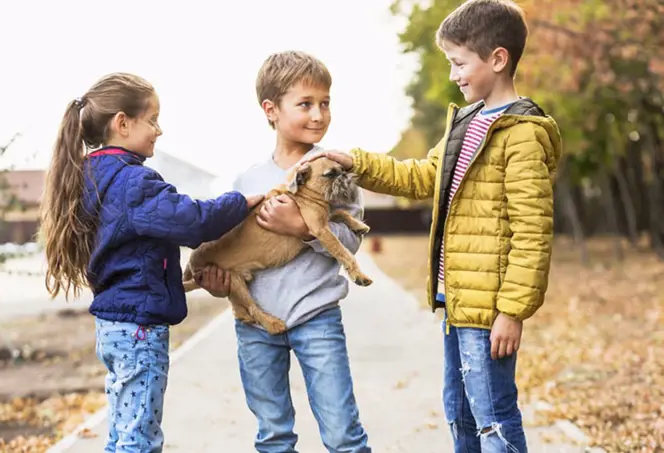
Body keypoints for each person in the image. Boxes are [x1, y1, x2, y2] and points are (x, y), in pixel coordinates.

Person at [301, 1, 563, 451]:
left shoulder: (522, 134)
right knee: (460, 415)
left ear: (497, 60)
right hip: (456, 300)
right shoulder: (465, 122)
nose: (453, 75)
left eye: (459, 63)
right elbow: (422, 176)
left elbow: (532, 232)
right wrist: (356, 162)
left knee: (493, 419)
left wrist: (512, 311)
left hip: (489, 310)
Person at [39, 72, 262, 453]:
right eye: (153, 120)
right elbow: (192, 221)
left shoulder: (89, 175)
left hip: (113, 326)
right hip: (139, 329)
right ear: (122, 123)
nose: (159, 130)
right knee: (139, 439)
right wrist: (239, 203)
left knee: (122, 434)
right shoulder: (133, 183)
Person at [198, 51, 372, 453]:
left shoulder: (336, 170)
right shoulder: (248, 180)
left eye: (325, 103)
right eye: (305, 104)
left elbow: (350, 242)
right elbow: (230, 251)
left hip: (318, 318)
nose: (318, 115)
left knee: (344, 435)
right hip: (256, 329)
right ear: (271, 110)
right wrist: (216, 282)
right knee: (273, 436)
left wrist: (302, 228)